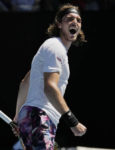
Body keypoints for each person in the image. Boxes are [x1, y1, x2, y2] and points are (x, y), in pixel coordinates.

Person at [12, 3, 87, 150]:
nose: (75, 22)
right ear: (59, 24)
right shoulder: (55, 47)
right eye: (69, 19)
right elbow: (50, 87)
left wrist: (17, 118)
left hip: (32, 118)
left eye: (78, 20)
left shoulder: (50, 48)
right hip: (40, 118)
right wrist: (73, 122)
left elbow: (25, 83)